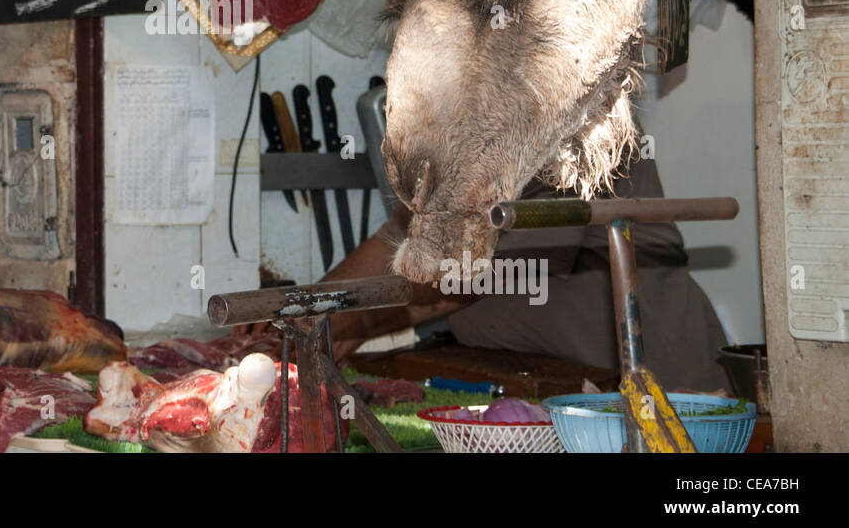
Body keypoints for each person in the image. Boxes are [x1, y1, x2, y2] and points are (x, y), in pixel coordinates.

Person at [248, 160, 730, 392]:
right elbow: (400, 243)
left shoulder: (570, 121)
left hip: (669, 402)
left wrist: (332, 326)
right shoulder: (467, 133)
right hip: (550, 390)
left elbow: (466, 281)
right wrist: (306, 308)